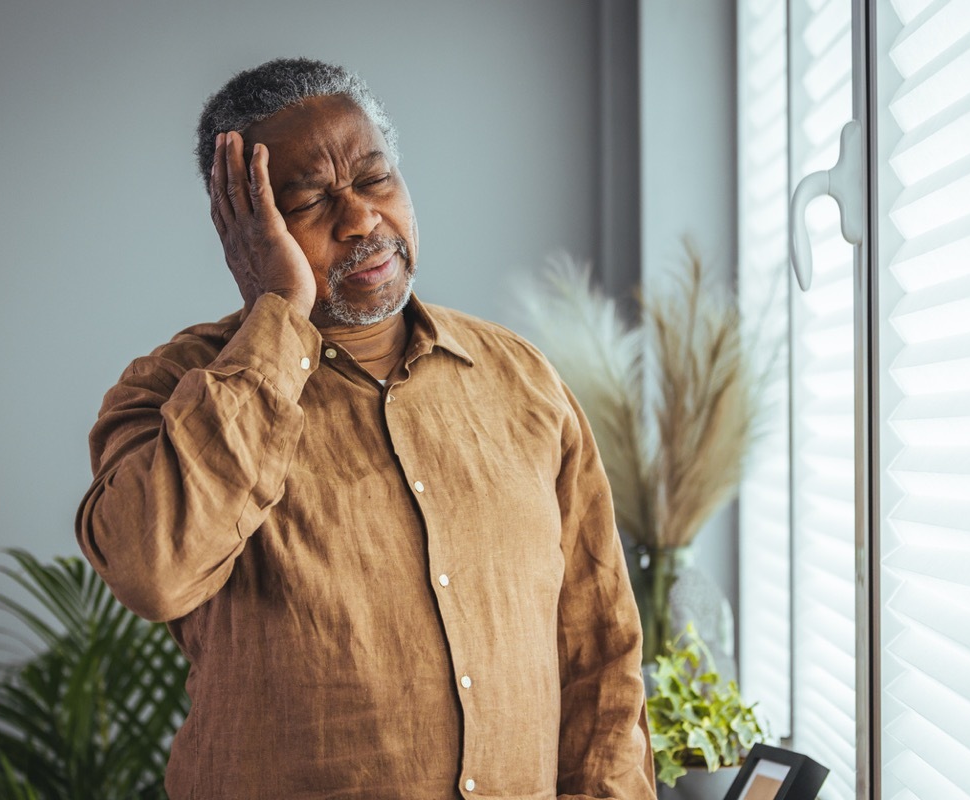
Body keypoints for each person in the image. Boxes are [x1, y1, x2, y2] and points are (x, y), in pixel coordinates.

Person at [76, 57, 655, 800]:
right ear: (244, 227)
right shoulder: (171, 392)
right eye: (310, 200)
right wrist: (279, 309)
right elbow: (155, 569)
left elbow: (598, 653)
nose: (360, 219)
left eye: (375, 179)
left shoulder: (523, 382)